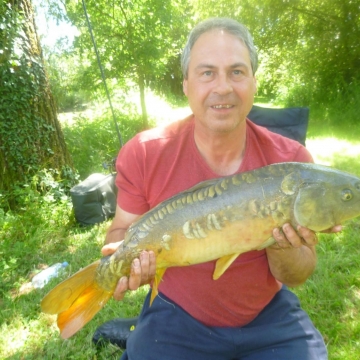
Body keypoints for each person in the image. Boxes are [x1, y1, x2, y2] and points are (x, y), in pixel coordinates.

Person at [101, 17, 340, 359]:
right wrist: (123, 257)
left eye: (237, 72)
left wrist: (284, 243)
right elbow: (120, 232)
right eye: (207, 72)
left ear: (254, 82)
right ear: (186, 84)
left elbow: (298, 274)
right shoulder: (145, 152)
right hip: (177, 312)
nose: (223, 87)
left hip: (267, 314)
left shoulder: (293, 164)